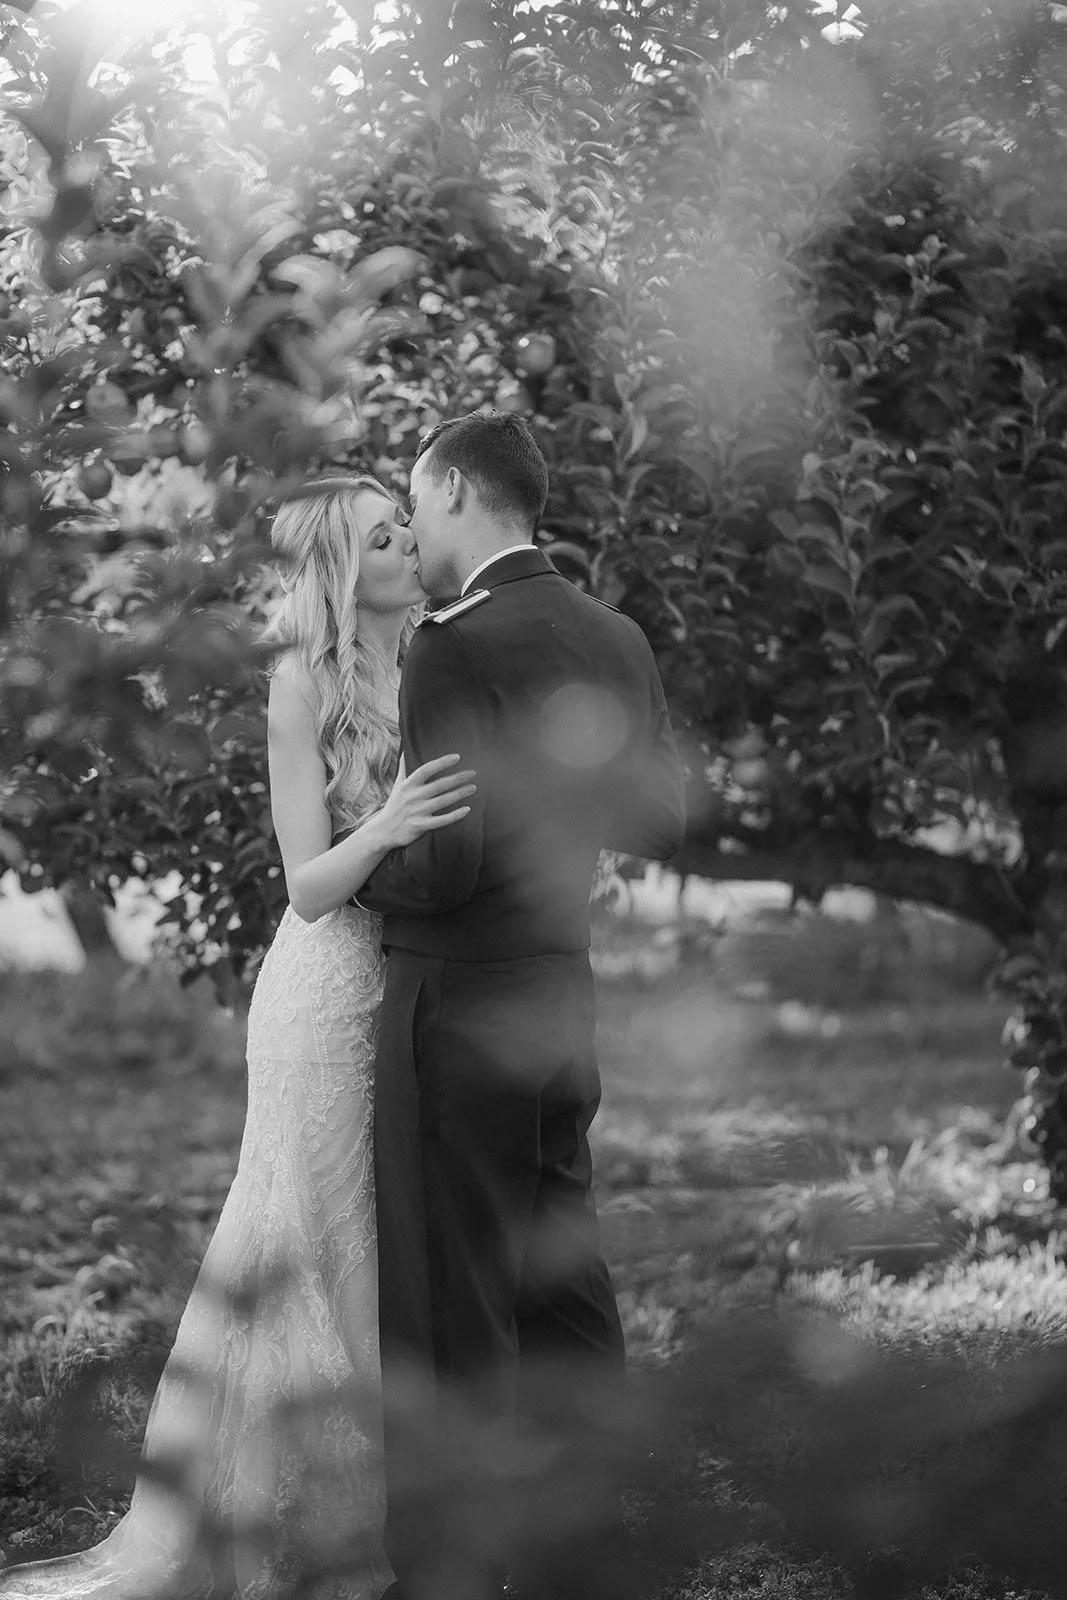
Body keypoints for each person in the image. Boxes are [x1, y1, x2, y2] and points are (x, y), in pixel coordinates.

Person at [0, 476, 474, 1600]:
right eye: (381, 536)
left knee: (383, 1239)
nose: (407, 542)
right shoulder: (298, 682)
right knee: (307, 1244)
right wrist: (392, 819)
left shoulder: (443, 656)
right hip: (321, 997)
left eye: (405, 524)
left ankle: (405, 1502)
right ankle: (316, 1531)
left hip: (415, 990)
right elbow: (307, 883)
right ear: (339, 568)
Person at [356, 411, 687, 1600]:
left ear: (451, 488)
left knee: (449, 1294)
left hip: (454, 1001)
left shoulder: (449, 646)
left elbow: (440, 865)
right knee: (560, 1270)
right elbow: (656, 817)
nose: (415, 524)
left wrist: (356, 876)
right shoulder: (615, 634)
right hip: (561, 992)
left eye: (415, 496)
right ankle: (585, 1551)